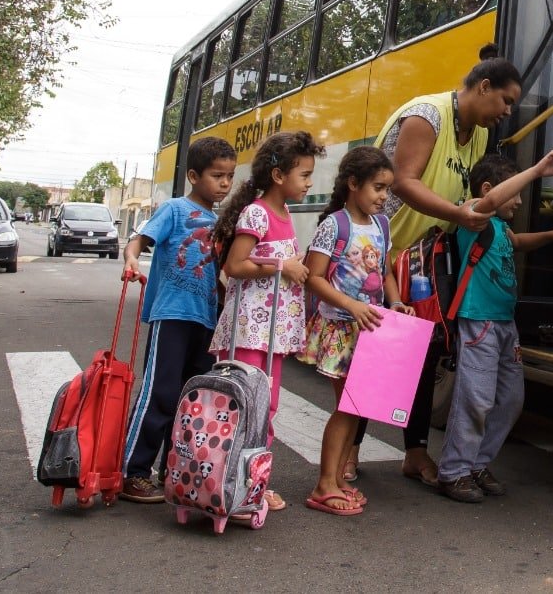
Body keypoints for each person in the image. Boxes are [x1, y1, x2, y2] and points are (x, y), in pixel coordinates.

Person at [371, 45, 521, 486]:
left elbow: (469, 196)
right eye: (506, 101)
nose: (508, 112)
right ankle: (348, 453)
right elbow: (404, 181)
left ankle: (415, 453)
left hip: (422, 262)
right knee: (373, 359)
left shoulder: (476, 133)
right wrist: (459, 214)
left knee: (423, 355)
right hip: (380, 254)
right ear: (483, 86)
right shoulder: (427, 115)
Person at [436, 149, 553, 503]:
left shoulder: (500, 227)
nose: (518, 201)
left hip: (503, 324)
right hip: (479, 322)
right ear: (489, 189)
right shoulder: (475, 218)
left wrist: (549, 234)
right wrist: (536, 170)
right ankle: (454, 471)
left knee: (510, 400)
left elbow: (516, 243)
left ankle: (477, 463)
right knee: (476, 398)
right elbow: (493, 200)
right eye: (514, 192)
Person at [206, 130, 324, 513]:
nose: (309, 183)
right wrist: (282, 266)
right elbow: (234, 266)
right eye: (304, 175)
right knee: (245, 406)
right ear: (278, 176)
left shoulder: (284, 213)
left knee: (266, 406)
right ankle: (232, 481)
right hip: (249, 331)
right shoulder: (257, 212)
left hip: (270, 332)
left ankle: (253, 482)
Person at [118, 136, 236, 504]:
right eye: (217, 176)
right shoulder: (174, 209)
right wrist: (132, 258)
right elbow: (140, 240)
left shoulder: (220, 221)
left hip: (206, 320)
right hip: (172, 314)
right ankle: (133, 471)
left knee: (192, 399)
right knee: (161, 392)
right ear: (194, 176)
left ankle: (175, 470)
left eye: (230, 177)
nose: (225, 184)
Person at [298, 146, 408, 516]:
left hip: (371, 331)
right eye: (378, 187)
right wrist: (351, 305)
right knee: (347, 407)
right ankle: (323, 485)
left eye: (387, 189)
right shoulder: (335, 225)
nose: (383, 197)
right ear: (353, 183)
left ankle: (338, 480)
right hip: (341, 329)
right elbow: (313, 278)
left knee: (358, 408)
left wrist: (395, 303)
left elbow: (387, 270)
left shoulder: (382, 225)